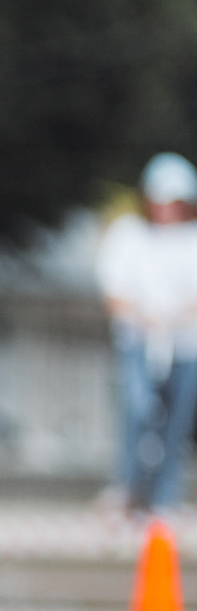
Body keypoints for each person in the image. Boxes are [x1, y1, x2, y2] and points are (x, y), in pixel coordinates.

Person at [95, 152, 197, 514]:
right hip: (138, 342)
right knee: (137, 412)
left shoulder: (192, 240)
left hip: (185, 345)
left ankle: (165, 497)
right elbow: (114, 291)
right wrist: (145, 318)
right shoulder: (129, 235)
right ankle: (128, 487)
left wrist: (174, 317)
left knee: (176, 422)